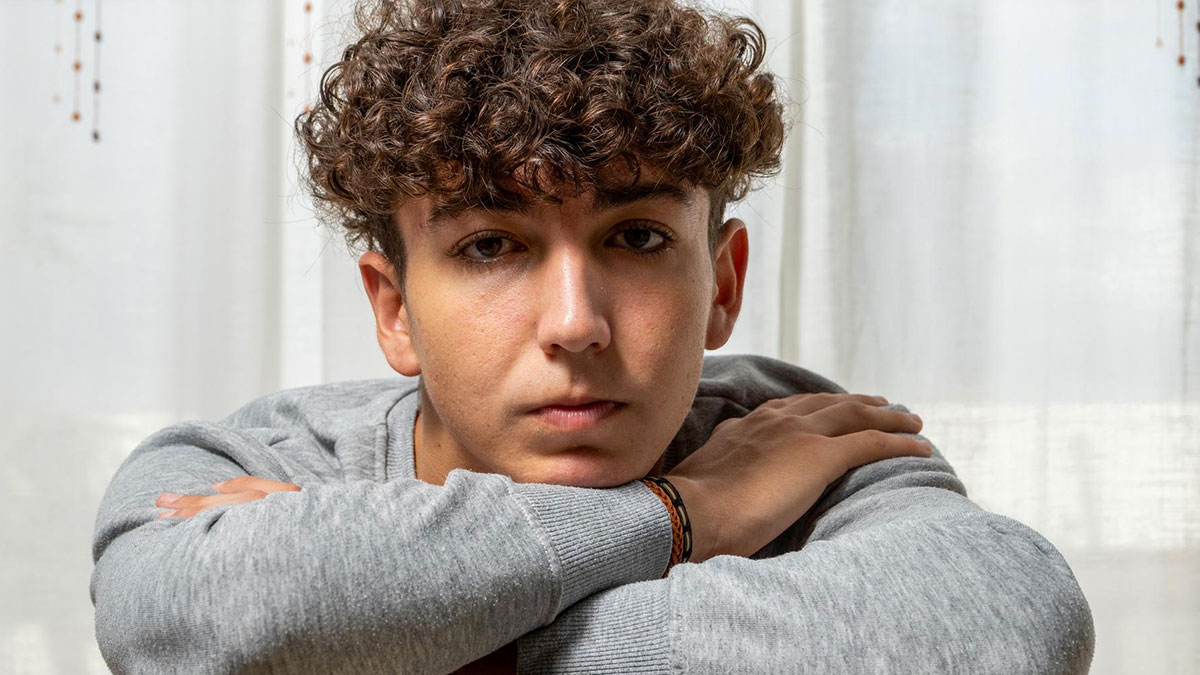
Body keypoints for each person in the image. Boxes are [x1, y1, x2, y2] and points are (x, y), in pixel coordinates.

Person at [90, 0, 1096, 673]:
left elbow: (1012, 628)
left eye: (638, 237)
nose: (575, 324)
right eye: (491, 246)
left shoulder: (806, 442)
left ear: (722, 283)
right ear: (394, 310)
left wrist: (377, 629)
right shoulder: (251, 462)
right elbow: (191, 624)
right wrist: (691, 512)